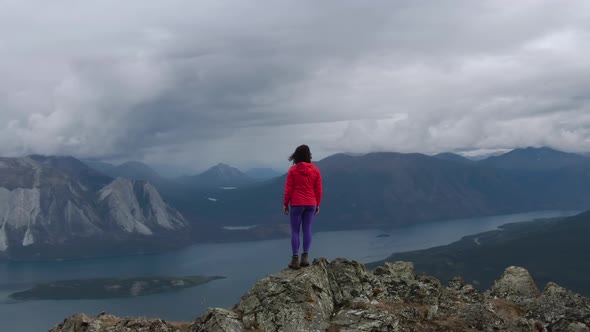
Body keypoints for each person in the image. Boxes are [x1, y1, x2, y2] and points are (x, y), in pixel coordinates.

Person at [283, 144, 322, 270]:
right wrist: (317, 204)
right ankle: (305, 258)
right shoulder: (315, 170)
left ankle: (295, 260)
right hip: (311, 203)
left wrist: (285, 203)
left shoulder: (293, 171)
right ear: (309, 155)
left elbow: (288, 189)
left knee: (295, 231)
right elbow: (318, 189)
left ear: (296, 156)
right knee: (307, 229)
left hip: (297, 203)